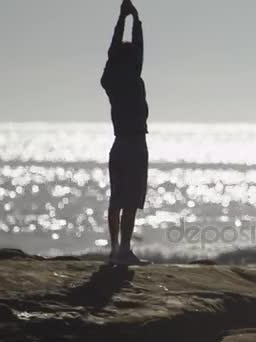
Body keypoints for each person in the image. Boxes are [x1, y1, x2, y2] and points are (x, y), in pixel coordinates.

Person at [101, 0, 149, 266]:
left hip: (120, 145)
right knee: (128, 200)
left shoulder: (112, 81)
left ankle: (117, 250)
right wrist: (134, 20)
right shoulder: (129, 78)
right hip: (134, 145)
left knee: (119, 198)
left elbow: (113, 52)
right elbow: (135, 48)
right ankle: (122, 250)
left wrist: (124, 19)